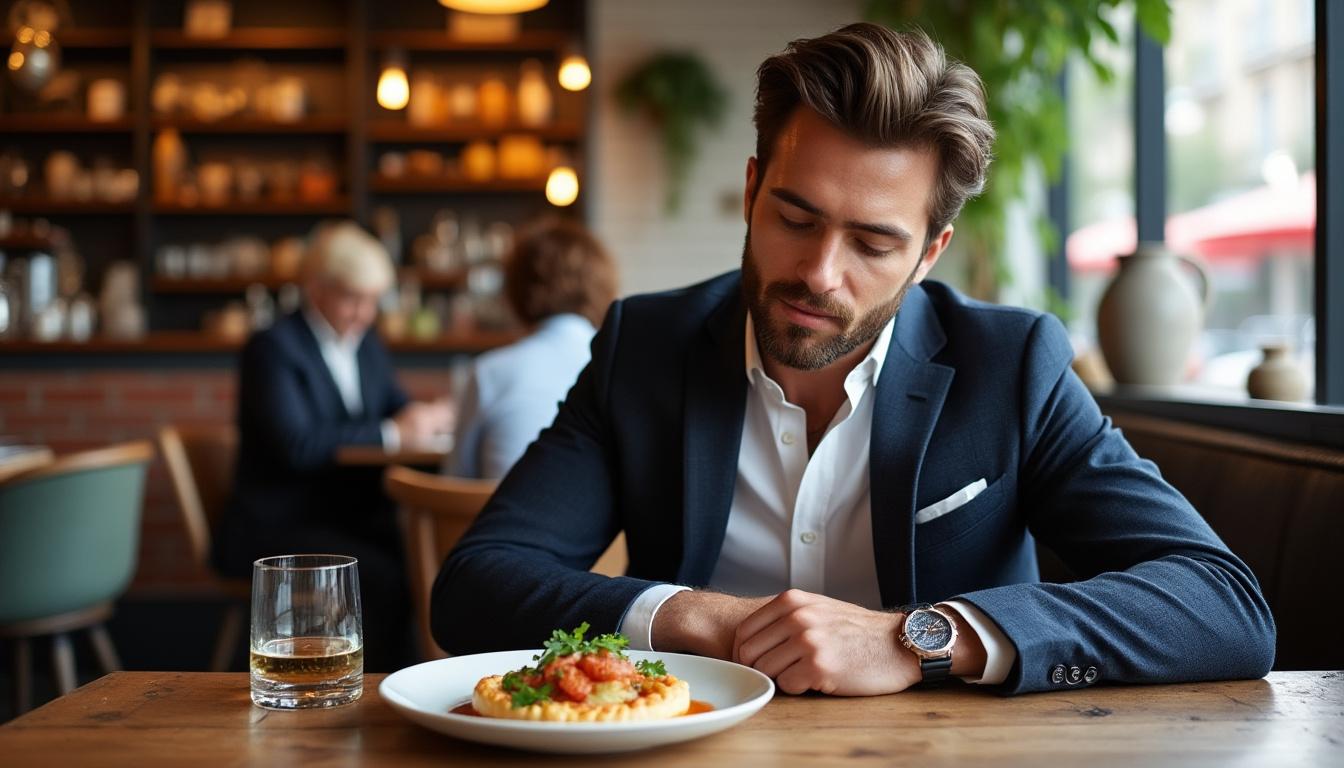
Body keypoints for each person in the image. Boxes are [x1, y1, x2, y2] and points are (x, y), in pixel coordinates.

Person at [430, 24, 1275, 695]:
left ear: (930, 252)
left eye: (873, 242)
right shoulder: (643, 347)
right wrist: (705, 621)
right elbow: (475, 586)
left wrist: (918, 637)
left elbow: (1223, 606)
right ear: (754, 187)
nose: (819, 273)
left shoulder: (1011, 364)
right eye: (795, 218)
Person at [215, 220, 450, 671]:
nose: (364, 312)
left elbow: (396, 407)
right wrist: (395, 432)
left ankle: (412, 679)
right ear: (316, 288)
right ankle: (371, 689)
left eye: (373, 301)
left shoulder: (365, 345)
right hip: (276, 524)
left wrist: (428, 416)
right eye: (353, 298)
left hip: (344, 514)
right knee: (385, 574)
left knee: (429, 554)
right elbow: (296, 444)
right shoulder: (273, 349)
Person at [446, 218, 618, 479]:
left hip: (501, 518)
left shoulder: (488, 372)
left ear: (516, 288)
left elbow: (455, 482)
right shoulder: (619, 368)